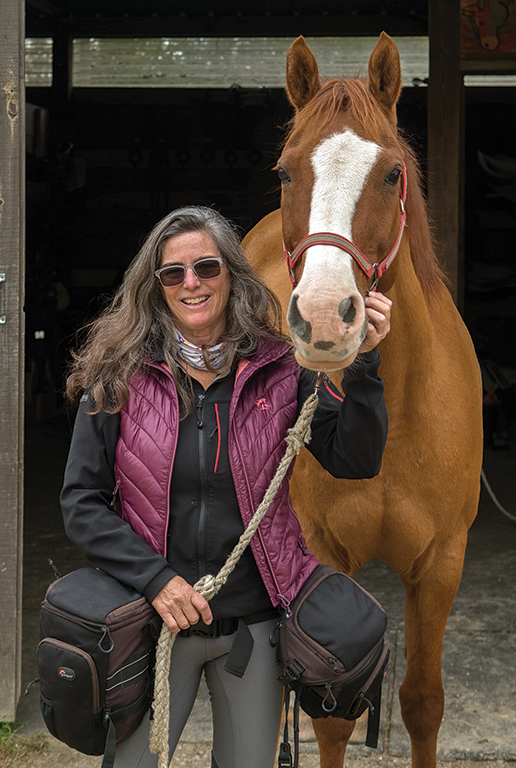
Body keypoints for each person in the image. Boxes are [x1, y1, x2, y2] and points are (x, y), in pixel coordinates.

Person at [60, 205, 391, 768]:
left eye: (206, 267)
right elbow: (81, 503)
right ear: (156, 286)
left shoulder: (285, 368)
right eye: (173, 273)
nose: (191, 283)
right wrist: (158, 581)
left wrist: (361, 363)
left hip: (252, 628)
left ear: (232, 273)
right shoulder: (118, 375)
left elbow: (355, 459)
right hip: (153, 622)